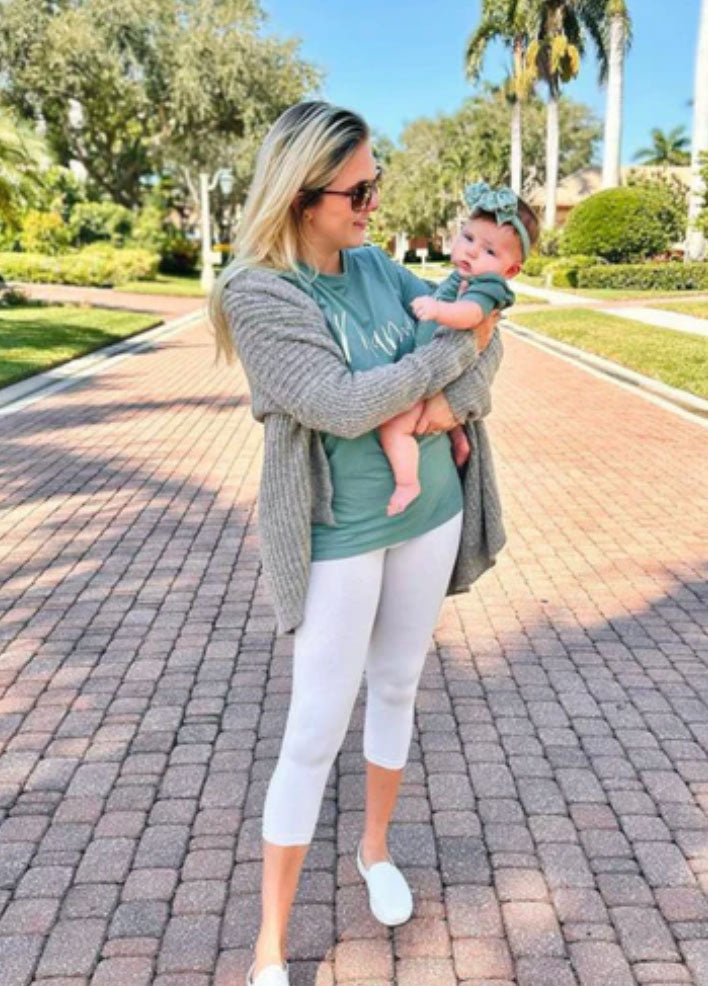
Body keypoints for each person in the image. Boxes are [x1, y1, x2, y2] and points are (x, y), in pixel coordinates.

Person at [209, 101, 507, 986]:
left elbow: (488, 345)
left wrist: (441, 403)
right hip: (340, 531)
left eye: (377, 184)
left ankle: (374, 850)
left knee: (399, 685)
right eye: (360, 189)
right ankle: (271, 942)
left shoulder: (379, 266)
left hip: (431, 510)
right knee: (312, 728)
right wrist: (435, 376)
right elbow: (338, 404)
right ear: (303, 196)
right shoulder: (259, 293)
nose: (374, 204)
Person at [379, 182, 539, 516]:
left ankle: (408, 482)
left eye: (490, 252)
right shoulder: (461, 277)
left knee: (394, 426)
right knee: (444, 418)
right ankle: (459, 440)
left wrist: (438, 311)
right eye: (468, 239)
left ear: (510, 270)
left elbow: (472, 317)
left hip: (434, 379)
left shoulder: (488, 287)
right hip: (438, 373)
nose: (471, 252)